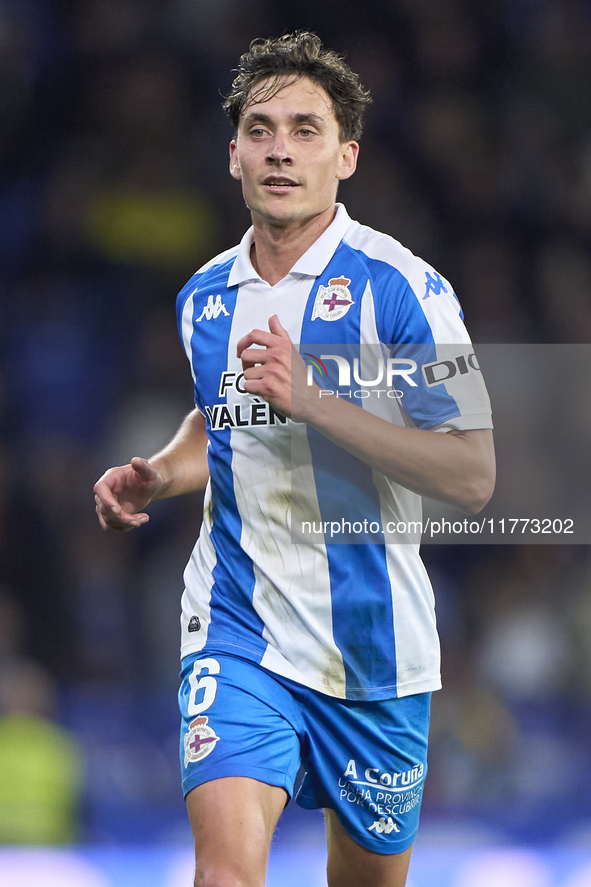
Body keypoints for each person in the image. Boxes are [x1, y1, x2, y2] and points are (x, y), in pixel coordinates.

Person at [94, 32, 495, 887]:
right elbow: (223, 418)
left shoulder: (406, 290)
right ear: (233, 152)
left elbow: (470, 473)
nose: (281, 148)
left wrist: (315, 399)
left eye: (306, 129)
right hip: (238, 625)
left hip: (374, 650)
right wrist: (161, 471)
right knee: (225, 875)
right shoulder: (204, 295)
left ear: (345, 157)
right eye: (261, 127)